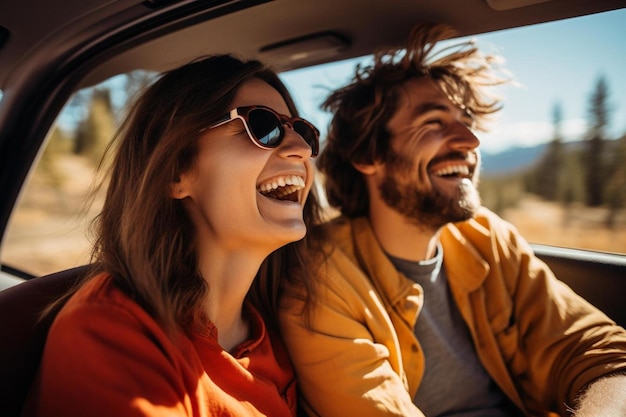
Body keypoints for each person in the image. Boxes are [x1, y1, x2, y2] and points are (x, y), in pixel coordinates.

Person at [278, 23, 626, 417]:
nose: (470, 141)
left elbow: (600, 351)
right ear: (369, 156)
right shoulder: (321, 276)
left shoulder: (488, 237)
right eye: (433, 123)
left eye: (466, 122)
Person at [22, 54, 324, 416]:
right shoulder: (113, 334)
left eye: (302, 131)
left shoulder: (286, 330)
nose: (302, 149)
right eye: (262, 126)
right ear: (176, 172)